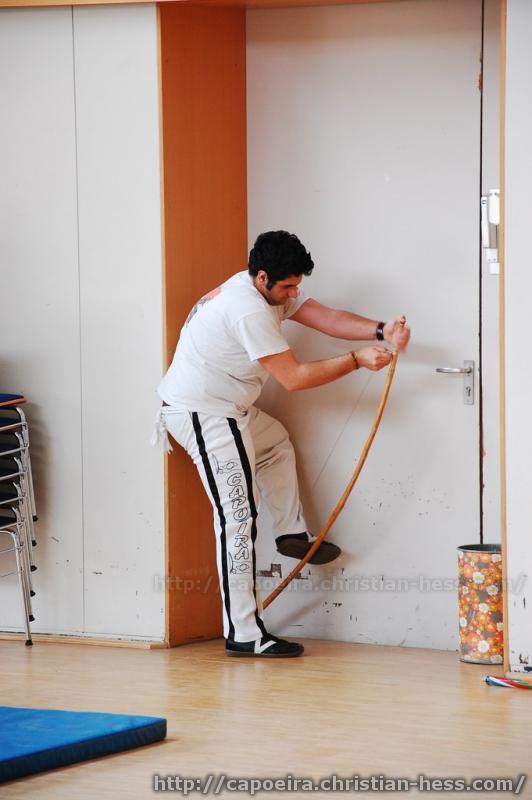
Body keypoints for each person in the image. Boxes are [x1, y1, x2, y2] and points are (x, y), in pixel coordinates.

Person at [154, 231, 410, 658]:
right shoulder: (247, 309)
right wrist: (356, 360)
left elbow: (326, 317)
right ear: (262, 277)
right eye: (288, 287)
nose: (294, 294)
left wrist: (381, 330)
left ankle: (291, 531)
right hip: (203, 414)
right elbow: (293, 378)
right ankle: (245, 633)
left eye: (297, 286)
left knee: (274, 443)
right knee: (237, 518)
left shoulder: (265, 288)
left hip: (228, 408)